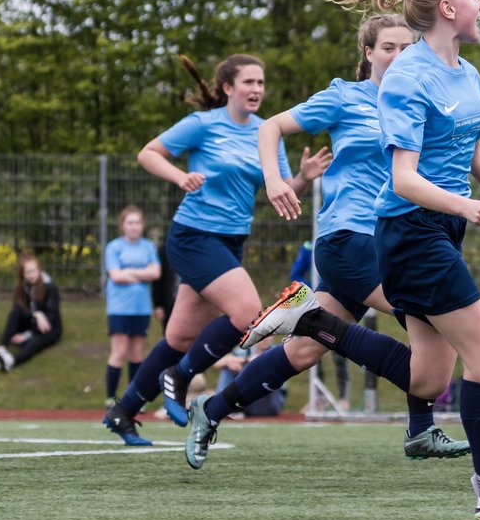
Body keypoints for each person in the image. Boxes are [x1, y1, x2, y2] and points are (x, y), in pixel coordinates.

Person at [242, 0, 480, 520]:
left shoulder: (465, 74)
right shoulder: (408, 78)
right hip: (410, 230)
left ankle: (312, 321)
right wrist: (468, 204)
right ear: (448, 8)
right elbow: (404, 180)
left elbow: (472, 151)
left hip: (442, 225)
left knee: (427, 378)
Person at [182, 14, 469, 469]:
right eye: (388, 48)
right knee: (430, 318)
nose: (398, 56)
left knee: (303, 350)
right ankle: (419, 429)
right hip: (349, 238)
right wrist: (276, 180)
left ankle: (210, 410)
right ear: (368, 54)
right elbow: (269, 127)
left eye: (405, 48)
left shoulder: (418, 100)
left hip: (393, 240)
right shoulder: (344, 97)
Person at [100, 53, 329, 446]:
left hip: (231, 242)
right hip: (193, 236)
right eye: (248, 82)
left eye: (261, 83)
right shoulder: (202, 125)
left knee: (179, 338)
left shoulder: (265, 134)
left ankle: (123, 412)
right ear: (227, 88)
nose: (257, 89)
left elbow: (281, 190)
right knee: (247, 315)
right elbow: (148, 153)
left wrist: (303, 179)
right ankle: (180, 377)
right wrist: (180, 176)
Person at [103, 206, 161, 407]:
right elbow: (116, 275)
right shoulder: (114, 247)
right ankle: (111, 398)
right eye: (130, 222)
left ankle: (134, 399)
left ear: (142, 226)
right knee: (118, 353)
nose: (134, 227)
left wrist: (130, 272)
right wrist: (141, 272)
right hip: (120, 308)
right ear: (122, 226)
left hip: (141, 308)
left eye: (137, 222)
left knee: (137, 354)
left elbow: (155, 273)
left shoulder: (148, 247)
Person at [0, 251, 62, 372]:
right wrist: (37, 314)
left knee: (35, 342)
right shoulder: (22, 287)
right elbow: (19, 310)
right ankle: (2, 349)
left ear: (39, 269)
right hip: (32, 323)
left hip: (48, 329)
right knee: (14, 312)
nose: (32, 275)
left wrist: (28, 335)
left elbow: (51, 320)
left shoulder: (50, 288)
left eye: (34, 270)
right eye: (28, 272)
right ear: (22, 274)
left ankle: (12, 360)